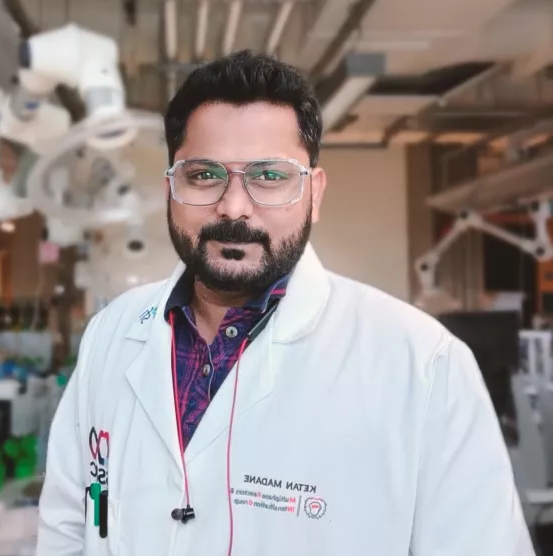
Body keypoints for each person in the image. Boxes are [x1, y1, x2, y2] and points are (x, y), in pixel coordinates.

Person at [37, 51, 534, 556]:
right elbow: (66, 525)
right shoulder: (112, 332)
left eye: (270, 177)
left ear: (314, 194)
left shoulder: (424, 364)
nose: (233, 206)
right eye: (203, 175)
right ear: (170, 188)